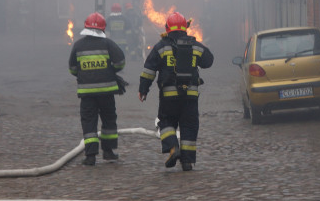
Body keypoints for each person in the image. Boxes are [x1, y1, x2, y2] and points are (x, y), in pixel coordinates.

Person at [138, 11, 214, 172]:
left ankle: (173, 148)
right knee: (189, 126)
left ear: (167, 28)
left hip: (168, 96)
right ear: (185, 28)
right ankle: (187, 162)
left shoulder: (161, 47)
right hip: (190, 96)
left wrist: (143, 90)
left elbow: (149, 70)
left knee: (165, 122)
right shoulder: (195, 46)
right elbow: (209, 61)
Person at [68, 11, 126, 165]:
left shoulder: (78, 45)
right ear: (102, 29)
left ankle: (90, 156)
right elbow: (120, 62)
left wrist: (85, 75)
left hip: (86, 93)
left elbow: (73, 68)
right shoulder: (108, 44)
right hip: (107, 92)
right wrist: (110, 71)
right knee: (108, 120)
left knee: (89, 122)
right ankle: (108, 152)